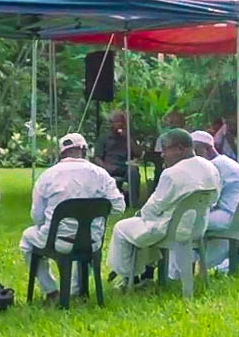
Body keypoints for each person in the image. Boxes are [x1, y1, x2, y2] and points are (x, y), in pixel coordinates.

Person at [105, 129, 222, 285]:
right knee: (141, 228)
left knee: (122, 228)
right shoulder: (210, 168)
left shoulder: (172, 173)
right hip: (198, 227)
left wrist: (140, 214)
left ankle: (128, 277)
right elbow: (214, 199)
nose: (162, 154)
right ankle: (145, 275)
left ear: (180, 149)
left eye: (165, 149)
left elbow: (154, 207)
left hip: (171, 230)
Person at [19, 133, 124, 303]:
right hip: (92, 240)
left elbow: (37, 217)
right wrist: (95, 213)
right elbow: (118, 207)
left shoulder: (47, 176)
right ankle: (77, 290)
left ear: (61, 153)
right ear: (84, 150)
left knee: (27, 240)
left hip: (56, 241)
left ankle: (51, 291)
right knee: (86, 236)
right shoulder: (101, 174)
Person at [192, 130, 239, 271]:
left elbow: (210, 200)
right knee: (197, 220)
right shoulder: (224, 162)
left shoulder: (215, 166)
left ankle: (180, 273)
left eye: (196, 151)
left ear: (207, 149)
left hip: (235, 215)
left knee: (189, 223)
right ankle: (211, 264)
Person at [98, 110, 132, 179]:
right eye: (117, 121)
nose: (120, 124)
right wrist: (104, 167)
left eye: (122, 122)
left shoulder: (126, 138)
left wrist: (129, 138)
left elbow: (138, 153)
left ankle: (133, 190)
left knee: (133, 171)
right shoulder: (104, 138)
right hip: (109, 166)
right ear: (111, 123)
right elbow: (97, 157)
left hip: (124, 166)